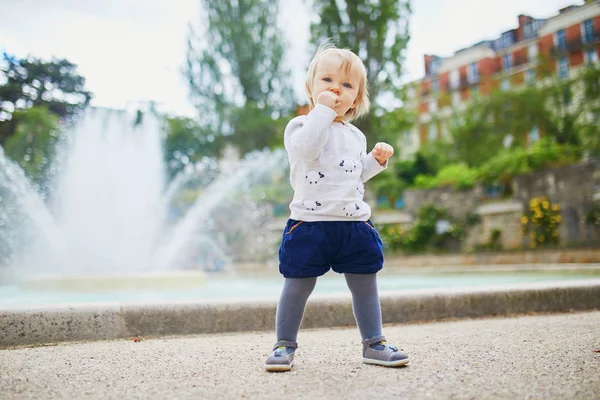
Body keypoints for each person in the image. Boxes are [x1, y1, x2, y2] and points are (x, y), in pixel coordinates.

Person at [264, 41, 409, 372]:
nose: (336, 89)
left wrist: (374, 160)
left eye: (346, 85)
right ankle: (284, 345)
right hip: (309, 224)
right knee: (297, 286)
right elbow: (306, 151)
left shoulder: (356, 136)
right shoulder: (301, 126)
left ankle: (374, 343)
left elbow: (353, 174)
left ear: (356, 98)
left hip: (353, 225)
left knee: (365, 286)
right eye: (327, 81)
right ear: (311, 88)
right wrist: (323, 111)